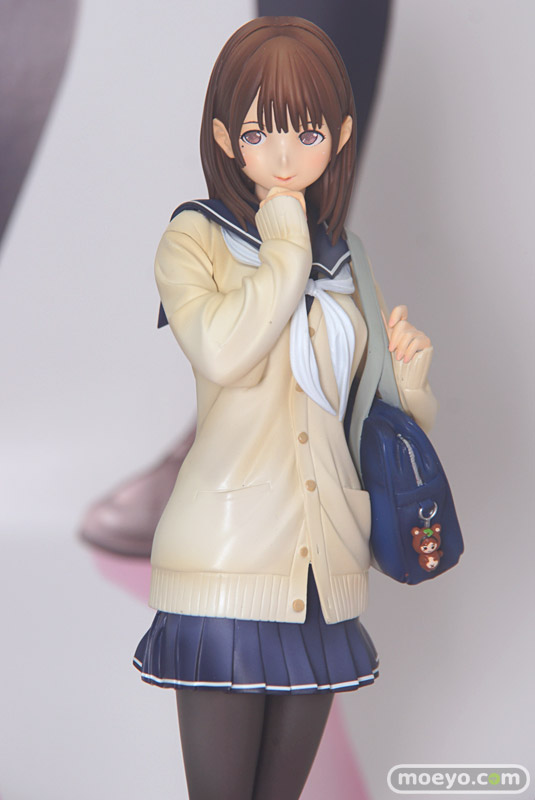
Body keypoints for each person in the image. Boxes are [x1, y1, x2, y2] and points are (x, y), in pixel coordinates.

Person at [133, 17, 435, 800]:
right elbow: (224, 354)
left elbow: (362, 424)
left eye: (305, 132)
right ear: (225, 138)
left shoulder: (348, 256)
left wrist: (410, 384)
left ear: (338, 136)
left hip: (323, 570)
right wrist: (286, 246)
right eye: (258, 131)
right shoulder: (194, 239)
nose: (282, 155)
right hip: (226, 561)